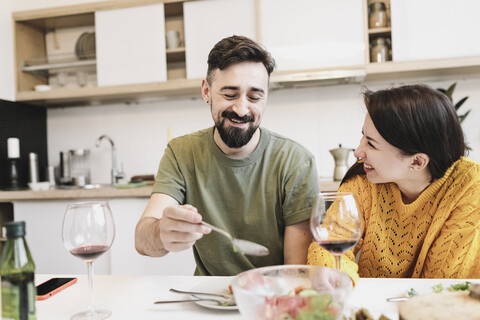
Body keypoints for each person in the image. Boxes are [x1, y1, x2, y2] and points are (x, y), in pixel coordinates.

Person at [135, 35, 319, 276]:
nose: (242, 109)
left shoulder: (295, 161)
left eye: (254, 97)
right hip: (207, 299)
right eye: (230, 94)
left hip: (271, 299)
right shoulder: (181, 153)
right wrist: (161, 233)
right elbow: (142, 240)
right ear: (206, 91)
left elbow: (296, 272)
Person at [308, 84, 480, 281]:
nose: (357, 152)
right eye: (363, 135)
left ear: (417, 161)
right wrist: (340, 279)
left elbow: (441, 282)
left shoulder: (470, 183)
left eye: (371, 144)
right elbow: (327, 248)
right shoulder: (363, 180)